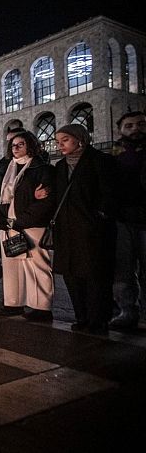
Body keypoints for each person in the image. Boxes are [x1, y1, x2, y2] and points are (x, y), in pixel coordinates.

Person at [52, 124, 116, 334]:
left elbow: (110, 193)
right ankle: (82, 317)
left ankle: (98, 320)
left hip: (92, 231)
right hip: (67, 231)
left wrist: (100, 215)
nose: (60, 145)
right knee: (72, 275)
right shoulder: (61, 166)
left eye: (65, 140)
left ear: (80, 140)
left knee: (95, 276)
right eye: (58, 141)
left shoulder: (99, 161)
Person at [0, 130, 57, 321]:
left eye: (21, 144)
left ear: (31, 145)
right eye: (13, 145)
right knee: (12, 265)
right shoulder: (5, 168)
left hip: (31, 225)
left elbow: (45, 201)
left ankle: (41, 306)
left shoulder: (41, 169)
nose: (16, 148)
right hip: (7, 225)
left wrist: (20, 221)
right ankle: (13, 302)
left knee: (37, 265)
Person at [110, 111, 146, 329]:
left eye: (141, 124)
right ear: (120, 130)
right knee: (122, 269)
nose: (135, 129)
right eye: (129, 125)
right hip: (122, 219)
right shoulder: (114, 156)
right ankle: (127, 310)